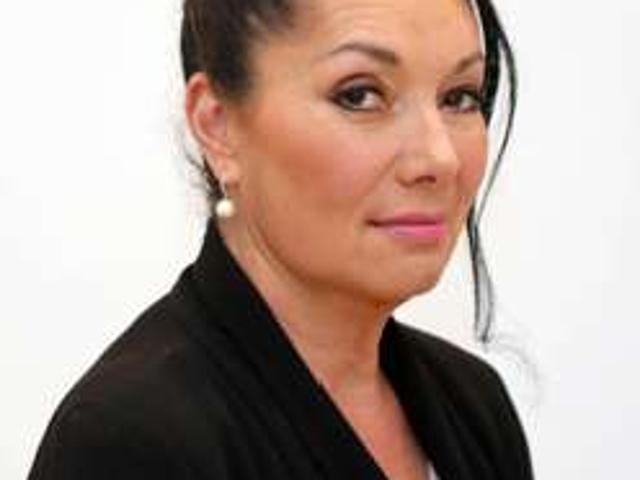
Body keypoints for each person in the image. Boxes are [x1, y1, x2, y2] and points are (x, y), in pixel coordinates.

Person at [28, 0, 533, 478]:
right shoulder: (130, 441)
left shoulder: (474, 405)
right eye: (360, 95)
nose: (440, 158)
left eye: (459, 97)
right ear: (218, 126)